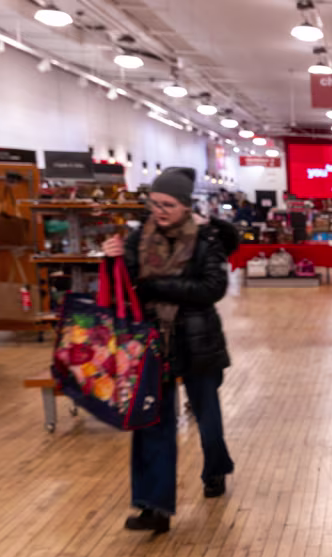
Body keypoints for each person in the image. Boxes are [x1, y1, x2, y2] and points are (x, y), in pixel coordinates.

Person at [103, 167, 235, 533]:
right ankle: (153, 506)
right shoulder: (137, 239)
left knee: (207, 414)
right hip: (150, 344)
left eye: (168, 204)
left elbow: (212, 288)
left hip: (197, 339)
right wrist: (110, 259)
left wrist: (158, 286)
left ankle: (216, 469)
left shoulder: (206, 239)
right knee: (152, 422)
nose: (159, 211)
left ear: (184, 206)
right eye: (155, 203)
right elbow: (127, 284)